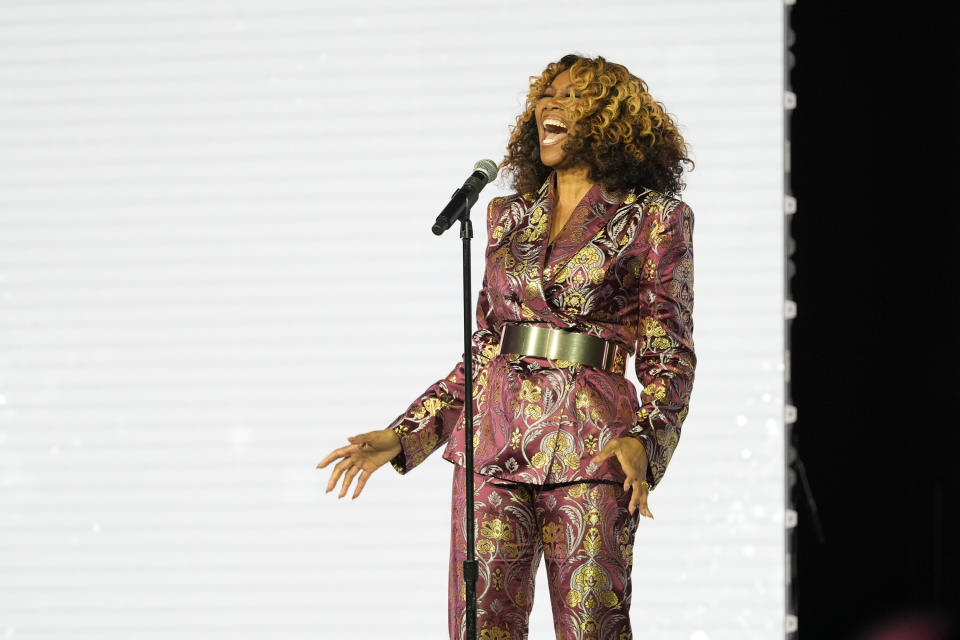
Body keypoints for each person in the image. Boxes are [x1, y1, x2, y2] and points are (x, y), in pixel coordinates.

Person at [317, 53, 696, 640]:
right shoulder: (505, 216)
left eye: (571, 96)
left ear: (611, 117)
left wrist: (646, 439)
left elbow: (669, 352)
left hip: (591, 447)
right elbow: (487, 347)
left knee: (592, 627)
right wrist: (406, 431)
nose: (550, 104)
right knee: (479, 628)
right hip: (492, 445)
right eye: (546, 95)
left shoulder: (655, 218)